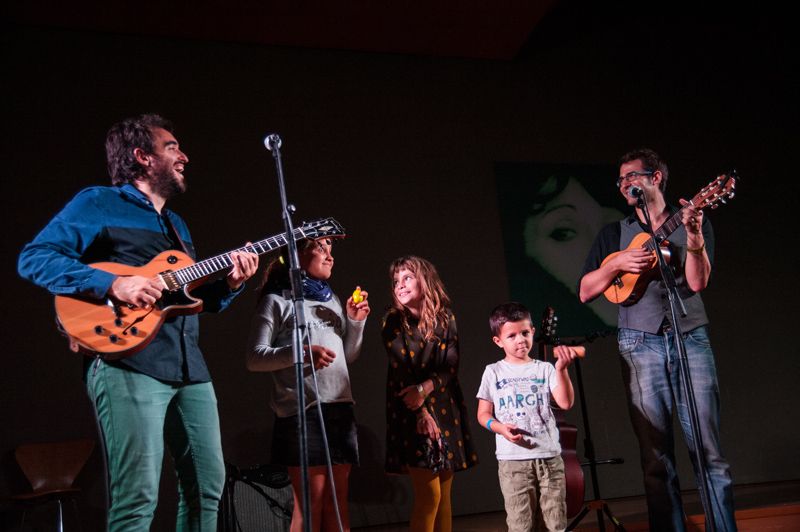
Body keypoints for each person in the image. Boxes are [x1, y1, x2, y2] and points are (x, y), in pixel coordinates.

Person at [17, 113, 259, 531]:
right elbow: (34, 258)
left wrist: (232, 284)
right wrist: (114, 284)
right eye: (172, 147)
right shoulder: (97, 202)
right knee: (138, 497)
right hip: (127, 362)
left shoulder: (177, 225)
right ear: (142, 157)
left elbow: (192, 301)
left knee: (208, 489)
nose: (184, 156)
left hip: (188, 367)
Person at [578, 148, 736, 531]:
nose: (625, 183)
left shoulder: (690, 222)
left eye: (633, 176)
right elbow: (585, 290)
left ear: (656, 178)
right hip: (639, 343)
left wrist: (695, 235)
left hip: (689, 338)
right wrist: (615, 263)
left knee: (709, 452)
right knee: (655, 458)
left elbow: (697, 283)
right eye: (621, 180)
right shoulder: (613, 234)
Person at [246, 237, 370, 532]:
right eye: (321, 248)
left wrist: (355, 322)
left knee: (337, 504)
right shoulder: (276, 300)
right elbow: (254, 358)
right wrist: (301, 354)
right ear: (297, 254)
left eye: (332, 250)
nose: (330, 256)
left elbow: (348, 355)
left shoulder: (331, 299)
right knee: (310, 507)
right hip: (302, 412)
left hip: (339, 408)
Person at [382, 256, 478, 532]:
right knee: (429, 495)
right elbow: (402, 373)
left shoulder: (446, 318)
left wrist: (427, 388)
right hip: (411, 410)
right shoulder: (392, 321)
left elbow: (451, 365)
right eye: (396, 281)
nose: (400, 285)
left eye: (407, 278)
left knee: (445, 496)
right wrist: (422, 413)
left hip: (445, 406)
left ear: (425, 281)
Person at [476, 302, 579, 532]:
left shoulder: (544, 369)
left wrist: (562, 370)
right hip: (513, 463)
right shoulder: (493, 372)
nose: (520, 339)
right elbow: (483, 414)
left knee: (555, 524)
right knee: (521, 525)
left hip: (549, 459)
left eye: (524, 332)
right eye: (511, 335)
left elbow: (566, 402)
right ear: (498, 341)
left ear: (532, 331)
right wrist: (499, 427)